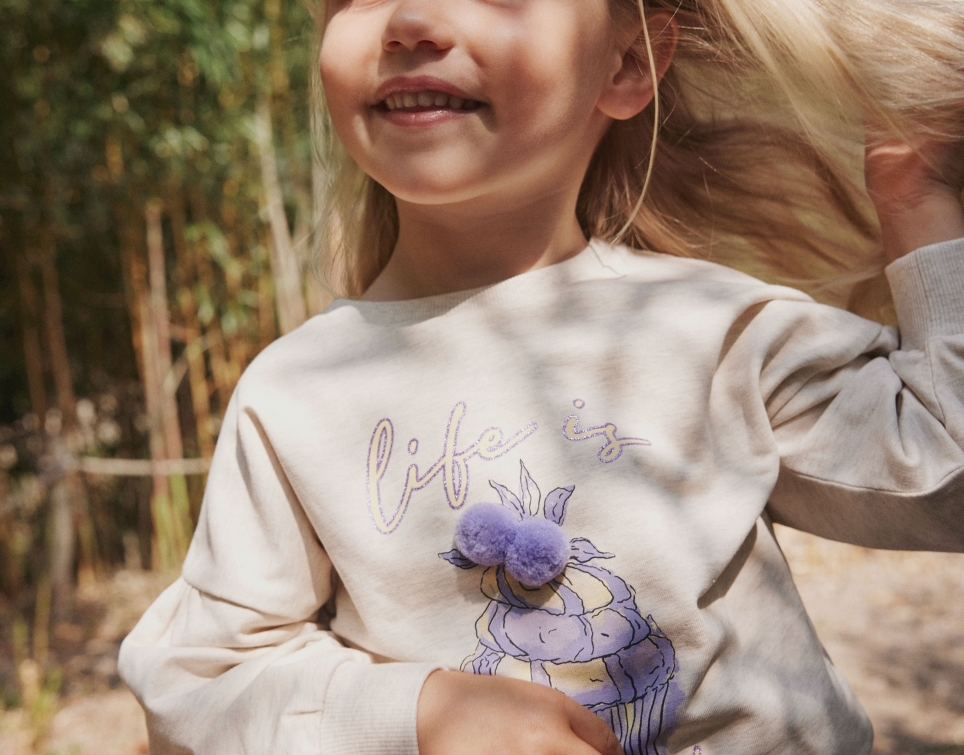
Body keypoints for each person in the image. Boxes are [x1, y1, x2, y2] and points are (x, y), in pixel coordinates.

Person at [118, 0, 964, 753]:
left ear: (627, 63)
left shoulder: (713, 328)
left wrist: (915, 198)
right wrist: (416, 714)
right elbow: (201, 682)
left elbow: (946, 473)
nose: (410, 20)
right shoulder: (296, 394)